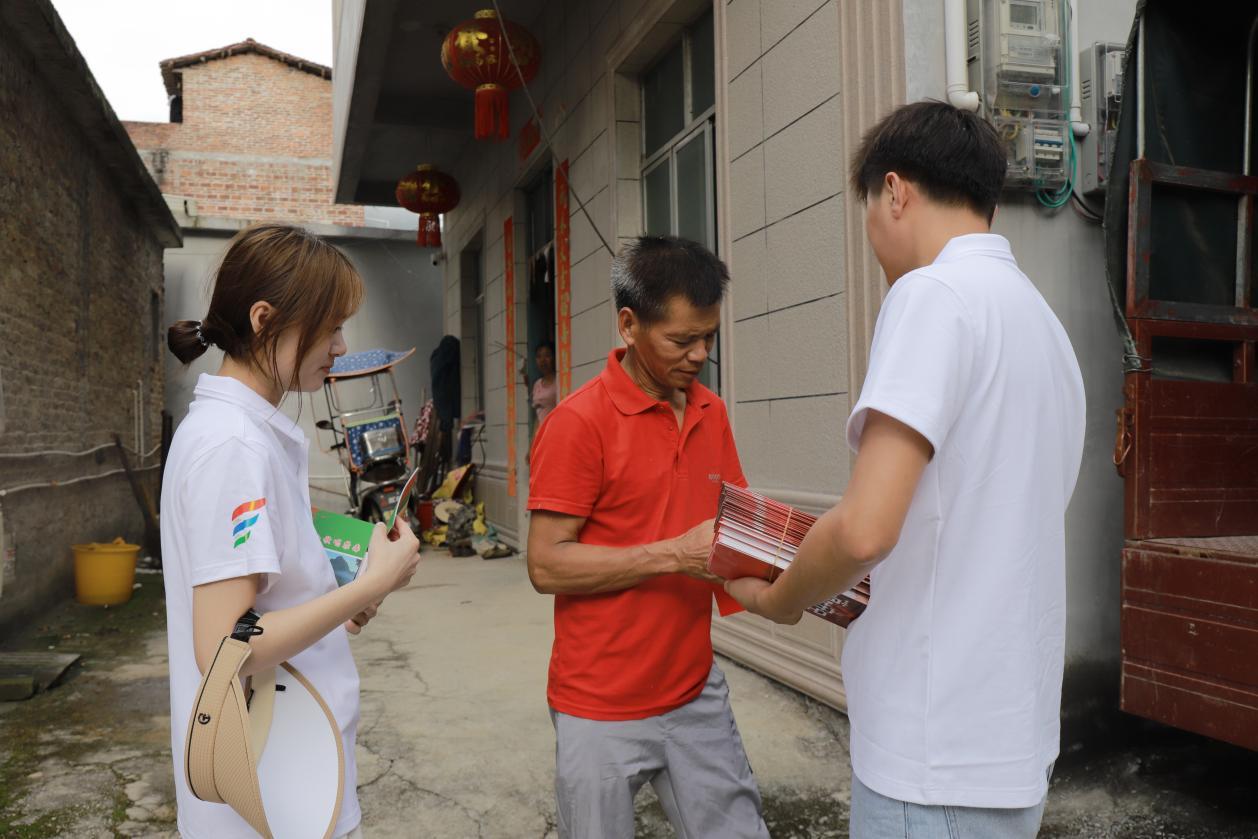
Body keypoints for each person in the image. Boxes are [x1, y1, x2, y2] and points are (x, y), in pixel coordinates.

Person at [726, 101, 1085, 839]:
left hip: (931, 754)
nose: (870, 234)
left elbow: (865, 529)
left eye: (867, 208)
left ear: (894, 191)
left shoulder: (930, 295)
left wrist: (780, 600)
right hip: (1011, 745)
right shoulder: (1044, 326)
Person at [162, 223, 422, 839]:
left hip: (291, 766)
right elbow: (226, 646)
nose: (340, 346)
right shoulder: (233, 447)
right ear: (264, 320)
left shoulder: (239, 432)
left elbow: (265, 602)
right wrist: (369, 586)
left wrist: (342, 599)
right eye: (329, 328)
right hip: (272, 793)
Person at [526, 235, 770, 839]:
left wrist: (804, 569)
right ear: (629, 325)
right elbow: (546, 565)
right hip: (598, 705)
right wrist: (673, 555)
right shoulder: (578, 423)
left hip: (694, 689)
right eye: (682, 340)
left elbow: (736, 530)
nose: (700, 355)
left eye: (709, 338)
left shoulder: (711, 412)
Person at [525, 341, 559, 427]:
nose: (543, 360)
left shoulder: (559, 381)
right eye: (539, 356)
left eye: (547, 355)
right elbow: (537, 415)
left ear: (554, 357)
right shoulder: (537, 384)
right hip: (541, 430)